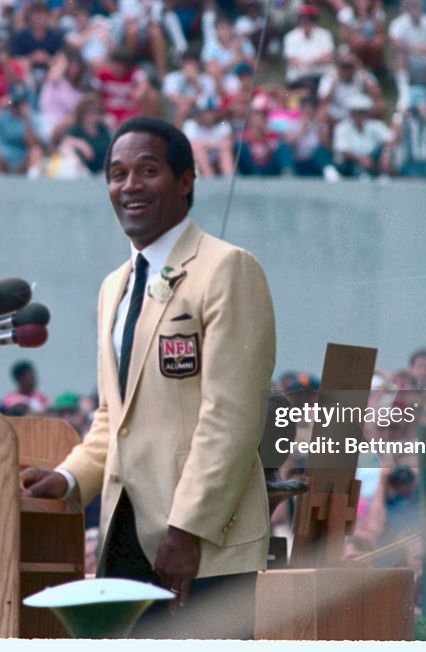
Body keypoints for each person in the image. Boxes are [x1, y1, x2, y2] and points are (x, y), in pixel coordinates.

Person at [19, 117, 276, 639]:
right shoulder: (114, 286)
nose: (129, 185)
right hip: (125, 540)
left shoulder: (227, 269)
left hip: (203, 544)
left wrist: (187, 529)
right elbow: (116, 415)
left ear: (186, 181)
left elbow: (232, 417)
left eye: (147, 170)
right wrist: (68, 479)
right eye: (117, 174)